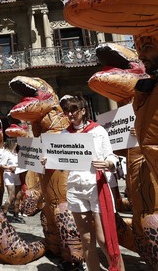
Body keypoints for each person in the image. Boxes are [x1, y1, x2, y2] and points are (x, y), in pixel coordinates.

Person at [59, 94, 124, 271]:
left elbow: (110, 155)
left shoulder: (98, 130)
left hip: (96, 186)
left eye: (73, 110)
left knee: (104, 240)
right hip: (75, 189)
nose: (70, 114)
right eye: (67, 111)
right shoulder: (64, 134)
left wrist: (108, 163)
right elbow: (61, 161)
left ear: (83, 110)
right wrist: (49, 160)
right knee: (86, 239)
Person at [0, 137, 21, 219]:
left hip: (17, 174)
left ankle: (16, 212)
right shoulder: (6, 153)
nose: (16, 144)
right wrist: (10, 167)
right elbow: (2, 165)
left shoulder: (16, 153)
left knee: (18, 195)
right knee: (11, 195)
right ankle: (4, 210)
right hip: (8, 175)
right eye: (15, 143)